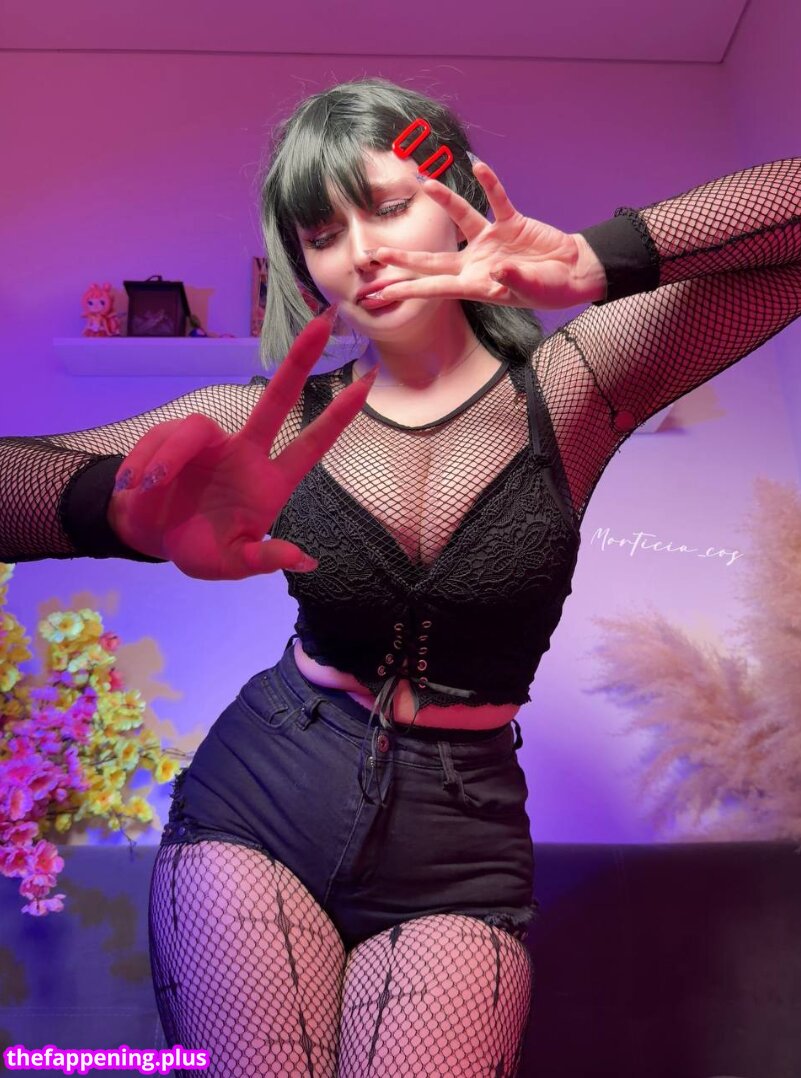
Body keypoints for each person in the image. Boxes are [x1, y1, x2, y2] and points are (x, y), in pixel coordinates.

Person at [1, 75, 799, 1076]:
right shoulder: (271, 424)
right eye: (323, 232)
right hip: (259, 802)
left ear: (454, 197)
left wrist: (597, 258)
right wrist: (114, 510)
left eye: (386, 206)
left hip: (459, 849)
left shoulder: (576, 386)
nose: (362, 251)